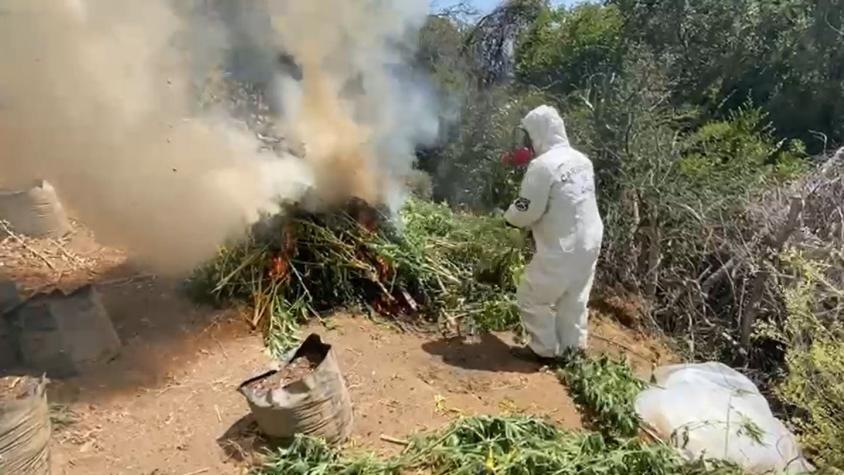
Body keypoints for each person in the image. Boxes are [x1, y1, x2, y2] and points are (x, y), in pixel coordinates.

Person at [502, 105, 603, 362]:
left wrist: (508, 219)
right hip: (590, 240)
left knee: (531, 295)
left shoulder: (543, 166)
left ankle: (544, 350)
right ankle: (573, 350)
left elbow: (527, 209)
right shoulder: (582, 160)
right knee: (575, 298)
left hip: (563, 245)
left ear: (539, 133)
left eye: (529, 135)